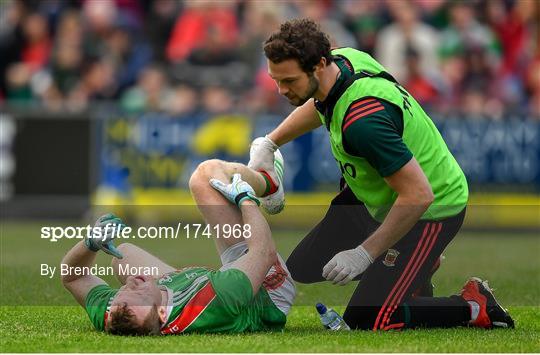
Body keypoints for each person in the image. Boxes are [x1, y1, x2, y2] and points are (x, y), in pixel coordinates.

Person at [248, 18, 513, 330]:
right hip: (374, 198)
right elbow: (319, 103)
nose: (281, 90)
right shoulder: (344, 61)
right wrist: (270, 142)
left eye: (289, 81)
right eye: (276, 80)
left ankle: (472, 305)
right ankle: (411, 270)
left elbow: (419, 195)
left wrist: (364, 254)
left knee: (369, 319)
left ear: (319, 64)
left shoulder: (364, 122)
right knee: (303, 268)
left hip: (430, 210)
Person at [61, 157, 295, 335]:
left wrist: (90, 243)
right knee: (205, 175)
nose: (131, 283)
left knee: (123, 257)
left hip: (208, 286)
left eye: (123, 292)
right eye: (138, 291)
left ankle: (166, 285)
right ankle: (269, 183)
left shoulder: (118, 314)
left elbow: (72, 277)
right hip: (268, 286)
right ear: (163, 313)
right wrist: (245, 198)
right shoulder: (218, 297)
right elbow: (264, 251)